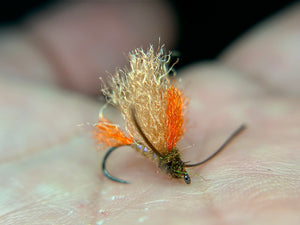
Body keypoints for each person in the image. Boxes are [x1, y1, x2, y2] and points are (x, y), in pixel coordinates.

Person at [0, 1, 299, 224]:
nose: (181, 174)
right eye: (179, 172)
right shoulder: (162, 149)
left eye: (179, 172)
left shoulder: (164, 148)